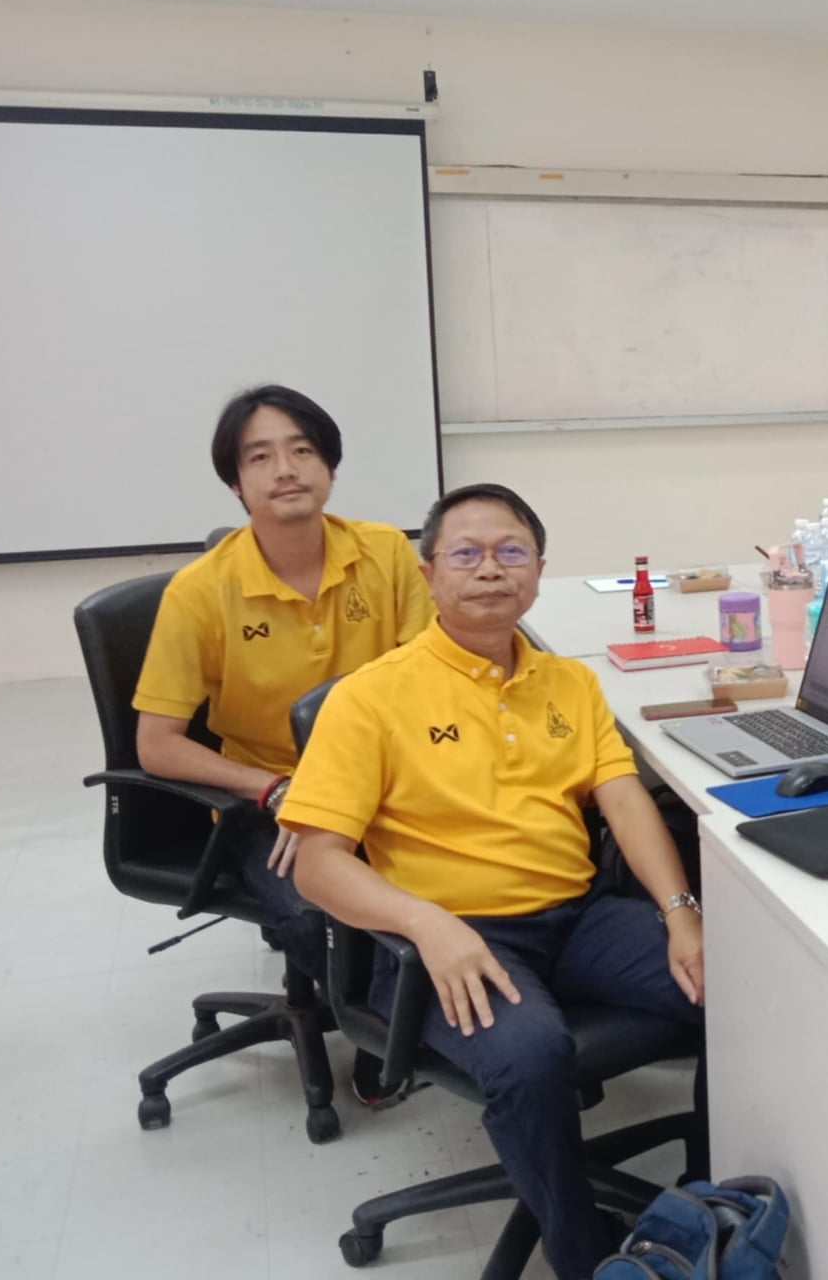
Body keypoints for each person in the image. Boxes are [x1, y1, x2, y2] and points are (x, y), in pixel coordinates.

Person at [281, 484, 704, 1280]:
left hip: (576, 916)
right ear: (428, 574)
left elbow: (623, 799)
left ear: (538, 570)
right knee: (531, 1053)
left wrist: (682, 913)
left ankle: (709, 1203)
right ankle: (588, 1261)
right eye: (466, 554)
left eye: (511, 552)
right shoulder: (371, 696)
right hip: (449, 938)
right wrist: (426, 924)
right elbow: (317, 862)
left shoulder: (569, 683)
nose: (490, 570)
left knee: (736, 987)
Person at [133, 384, 433, 981]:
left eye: (302, 450)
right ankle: (381, 1022)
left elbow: (427, 684)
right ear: (236, 484)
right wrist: (273, 790)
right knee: (322, 921)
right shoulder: (199, 592)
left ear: (331, 467)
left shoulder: (387, 553)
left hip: (381, 781)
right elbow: (156, 744)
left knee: (469, 881)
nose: (286, 470)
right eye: (260, 457)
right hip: (271, 798)